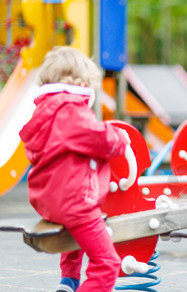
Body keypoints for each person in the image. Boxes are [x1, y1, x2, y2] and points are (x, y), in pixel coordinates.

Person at [19, 46, 131, 292]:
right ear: (81, 81)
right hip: (74, 201)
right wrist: (121, 137)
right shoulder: (71, 111)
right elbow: (103, 140)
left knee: (75, 235)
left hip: (48, 200)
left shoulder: (44, 112)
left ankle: (68, 281)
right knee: (107, 263)